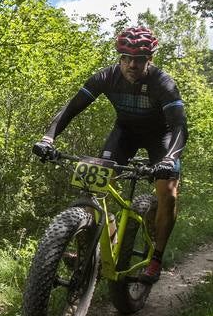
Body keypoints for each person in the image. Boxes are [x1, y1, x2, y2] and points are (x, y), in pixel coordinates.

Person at [32, 25, 187, 283]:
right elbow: (72, 108)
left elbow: (179, 126)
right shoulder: (106, 77)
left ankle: (156, 258)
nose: (132, 65)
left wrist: (170, 158)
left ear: (149, 59)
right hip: (125, 133)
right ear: (119, 57)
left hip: (161, 137)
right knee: (94, 183)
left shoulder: (163, 83)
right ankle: (97, 244)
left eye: (139, 59)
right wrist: (48, 138)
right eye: (126, 58)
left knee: (167, 191)